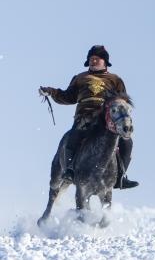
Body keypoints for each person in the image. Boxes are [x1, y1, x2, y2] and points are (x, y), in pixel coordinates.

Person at [39, 45, 138, 189]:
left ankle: (120, 177)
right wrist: (51, 92)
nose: (93, 61)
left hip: (107, 121)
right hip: (84, 118)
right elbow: (68, 97)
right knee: (73, 136)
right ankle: (70, 170)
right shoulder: (80, 78)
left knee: (127, 142)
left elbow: (122, 101)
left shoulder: (115, 80)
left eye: (97, 58)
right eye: (91, 58)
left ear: (105, 61)